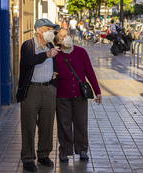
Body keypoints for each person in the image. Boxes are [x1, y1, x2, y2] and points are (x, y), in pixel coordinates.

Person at [16, 18, 60, 172]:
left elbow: (54, 63)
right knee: (28, 125)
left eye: (52, 30)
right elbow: (28, 62)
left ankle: (43, 154)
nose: (51, 33)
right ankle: (28, 158)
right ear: (40, 30)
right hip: (31, 90)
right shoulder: (28, 45)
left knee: (47, 125)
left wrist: (54, 76)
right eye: (49, 29)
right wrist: (47, 55)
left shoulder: (50, 44)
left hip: (48, 89)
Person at [54, 28, 102, 162]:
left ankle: (82, 150)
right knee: (64, 125)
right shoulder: (55, 55)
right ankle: (64, 150)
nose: (65, 38)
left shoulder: (81, 52)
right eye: (62, 37)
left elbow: (90, 72)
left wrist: (97, 91)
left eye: (67, 35)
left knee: (81, 123)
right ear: (58, 40)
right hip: (62, 96)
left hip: (80, 96)